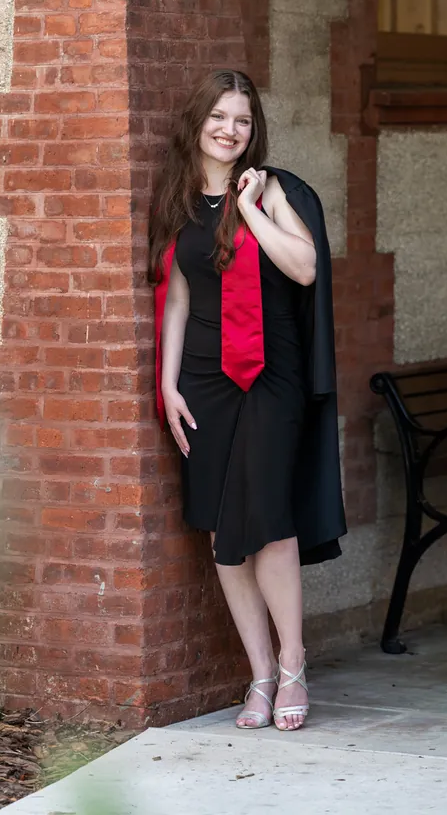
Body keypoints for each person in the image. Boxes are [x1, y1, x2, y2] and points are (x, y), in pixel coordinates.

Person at [149, 69, 346, 732]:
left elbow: (306, 266)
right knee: (220, 530)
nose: (231, 130)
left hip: (271, 376)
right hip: (205, 381)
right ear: (197, 123)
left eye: (242, 119)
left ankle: (293, 663)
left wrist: (254, 209)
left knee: (270, 521)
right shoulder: (177, 198)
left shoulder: (275, 187)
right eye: (219, 118)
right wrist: (167, 384)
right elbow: (176, 297)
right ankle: (257, 673)